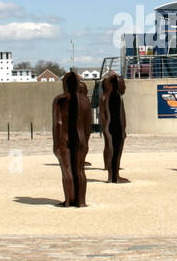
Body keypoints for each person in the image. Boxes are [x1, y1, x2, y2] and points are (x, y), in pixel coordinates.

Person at [53, 72, 92, 206]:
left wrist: (55, 145)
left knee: (67, 170)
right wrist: (86, 142)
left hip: (64, 138)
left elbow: (57, 124)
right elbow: (88, 126)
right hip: (81, 138)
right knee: (80, 170)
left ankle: (69, 200)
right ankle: (81, 201)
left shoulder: (59, 100)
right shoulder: (86, 101)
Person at [100, 72, 128, 183]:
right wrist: (106, 129)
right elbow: (103, 114)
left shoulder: (117, 97)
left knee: (116, 151)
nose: (124, 87)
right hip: (112, 129)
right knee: (113, 150)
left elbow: (121, 115)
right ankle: (112, 175)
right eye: (121, 84)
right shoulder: (107, 97)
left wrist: (123, 130)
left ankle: (115, 174)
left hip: (118, 129)